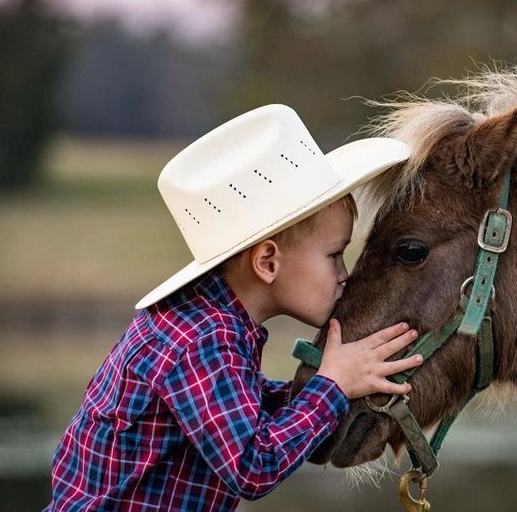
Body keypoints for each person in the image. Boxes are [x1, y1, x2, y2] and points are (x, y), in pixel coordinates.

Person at [46, 104, 422, 510]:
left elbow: (236, 409)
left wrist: (340, 381)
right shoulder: (204, 340)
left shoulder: (201, 322)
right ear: (267, 263)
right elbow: (254, 465)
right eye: (334, 255)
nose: (344, 274)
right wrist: (331, 386)